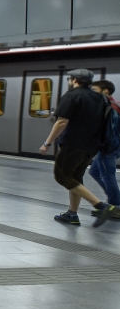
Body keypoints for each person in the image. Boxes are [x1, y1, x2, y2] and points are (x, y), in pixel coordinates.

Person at [38, 69, 117, 227]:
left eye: (70, 78)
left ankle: (101, 206)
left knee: (62, 176)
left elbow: (61, 122)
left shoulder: (72, 95)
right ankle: (72, 214)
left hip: (72, 144)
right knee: (76, 178)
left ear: (74, 80)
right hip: (92, 147)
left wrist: (47, 143)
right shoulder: (101, 98)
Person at [89, 80, 120, 219]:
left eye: (94, 90)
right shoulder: (116, 104)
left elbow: (107, 130)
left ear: (105, 91)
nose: (92, 92)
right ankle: (114, 203)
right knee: (94, 171)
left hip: (108, 146)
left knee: (108, 175)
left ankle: (115, 207)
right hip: (113, 145)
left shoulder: (109, 106)